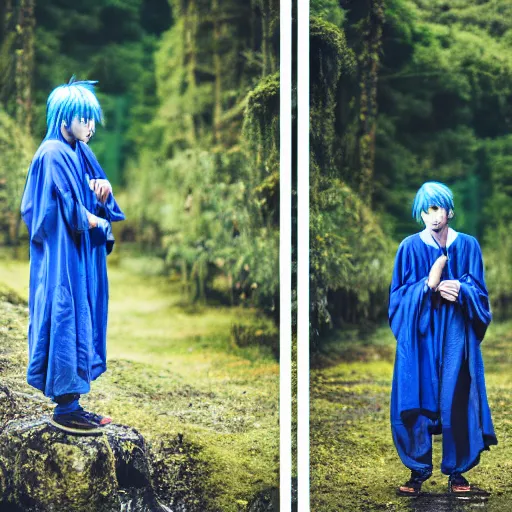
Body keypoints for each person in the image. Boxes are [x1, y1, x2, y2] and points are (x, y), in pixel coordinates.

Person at [20, 77, 125, 434]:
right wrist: (93, 217)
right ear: (63, 119)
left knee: (81, 316)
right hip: (62, 259)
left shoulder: (81, 151)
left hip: (78, 255)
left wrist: (103, 193)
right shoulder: (52, 154)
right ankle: (67, 409)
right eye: (83, 120)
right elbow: (65, 207)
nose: (90, 127)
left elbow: (93, 195)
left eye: (92, 120)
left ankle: (74, 403)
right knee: (64, 316)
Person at [389, 181, 497, 495]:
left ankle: (458, 475)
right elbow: (397, 301)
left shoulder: (468, 245)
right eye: (426, 210)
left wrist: (462, 291)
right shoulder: (408, 247)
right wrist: (429, 284)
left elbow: (481, 295)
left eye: (437, 208)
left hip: (455, 333)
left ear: (449, 211)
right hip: (420, 334)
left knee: (458, 394)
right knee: (419, 395)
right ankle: (417, 472)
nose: (432, 216)